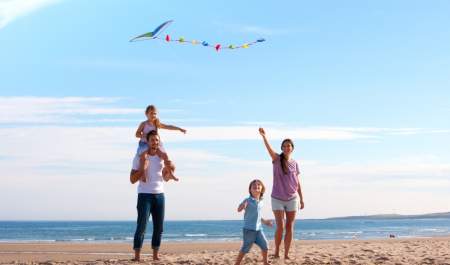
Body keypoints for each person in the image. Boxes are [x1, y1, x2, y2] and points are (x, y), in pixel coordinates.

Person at [130, 130, 176, 261]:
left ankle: (155, 255)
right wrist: (142, 169)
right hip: (144, 196)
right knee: (141, 226)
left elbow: (165, 178)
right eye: (152, 140)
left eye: (157, 140)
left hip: (160, 196)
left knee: (159, 228)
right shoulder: (139, 158)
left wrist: (169, 171)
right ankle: (137, 256)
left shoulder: (162, 158)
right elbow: (132, 179)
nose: (155, 142)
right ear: (147, 142)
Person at [258, 128, 304, 259]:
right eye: (284, 146)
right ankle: (277, 251)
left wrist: (301, 198)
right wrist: (264, 137)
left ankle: (286, 254)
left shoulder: (295, 163)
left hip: (292, 198)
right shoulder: (277, 159)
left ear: (292, 148)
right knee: (281, 226)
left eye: (289, 145)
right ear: (282, 148)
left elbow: (297, 182)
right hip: (277, 197)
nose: (287, 147)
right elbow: (269, 149)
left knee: (290, 226)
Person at [132, 104, 186, 181]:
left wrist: (179, 129)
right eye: (151, 113)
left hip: (155, 143)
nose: (153, 115)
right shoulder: (144, 124)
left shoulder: (156, 123)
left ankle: (170, 173)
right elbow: (137, 134)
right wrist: (145, 135)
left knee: (165, 156)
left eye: (155, 113)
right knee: (143, 157)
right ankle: (143, 173)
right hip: (144, 143)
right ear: (146, 114)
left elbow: (168, 127)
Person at [234, 179, 273, 265]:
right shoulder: (247, 200)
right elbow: (239, 209)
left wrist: (265, 222)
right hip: (249, 230)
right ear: (250, 190)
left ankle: (265, 262)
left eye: (259, 185)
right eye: (254, 186)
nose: (256, 186)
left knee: (265, 245)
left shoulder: (261, 202)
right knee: (245, 249)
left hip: (259, 229)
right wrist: (242, 206)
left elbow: (258, 216)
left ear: (262, 189)